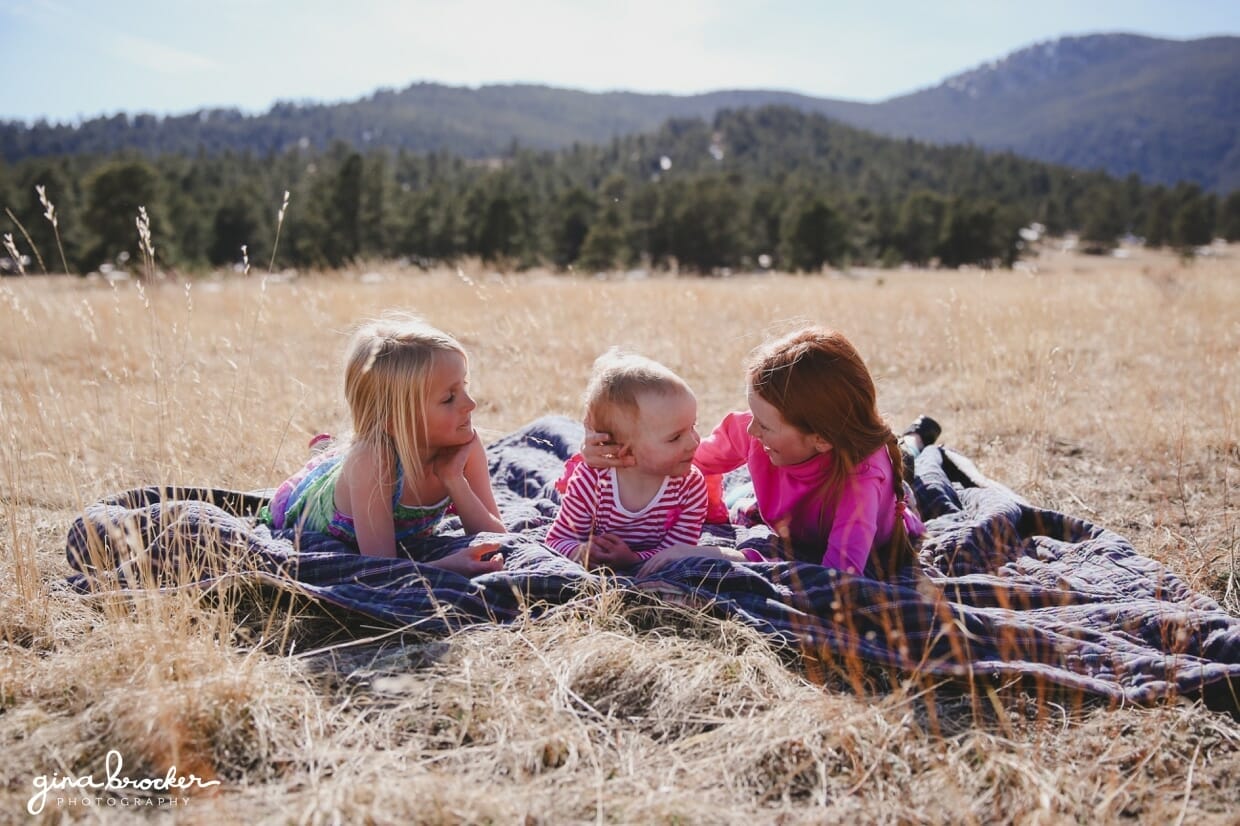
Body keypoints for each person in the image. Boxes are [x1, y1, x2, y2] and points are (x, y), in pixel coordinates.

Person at [582, 326, 925, 579]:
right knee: (744, 497)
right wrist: (611, 458)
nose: (750, 431)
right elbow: (680, 460)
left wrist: (721, 554)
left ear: (820, 439)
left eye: (764, 424)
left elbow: (836, 577)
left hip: (889, 501)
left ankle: (918, 439)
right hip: (795, 517)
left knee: (911, 459)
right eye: (754, 416)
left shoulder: (862, 479)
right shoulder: (754, 432)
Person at [262, 313, 506, 575]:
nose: (471, 404)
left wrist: (454, 480)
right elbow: (381, 568)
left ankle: (329, 450)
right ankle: (327, 454)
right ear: (393, 420)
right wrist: (447, 566)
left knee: (343, 457)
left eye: (465, 387)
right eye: (449, 398)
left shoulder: (465, 444)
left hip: (366, 468)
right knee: (348, 459)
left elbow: (497, 537)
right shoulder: (373, 461)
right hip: (311, 507)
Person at [545, 349, 708, 570]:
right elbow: (556, 541)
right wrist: (579, 552)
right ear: (624, 451)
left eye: (693, 427)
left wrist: (633, 560)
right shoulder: (591, 481)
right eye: (675, 437)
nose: (694, 442)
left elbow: (678, 552)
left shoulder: (690, 486)